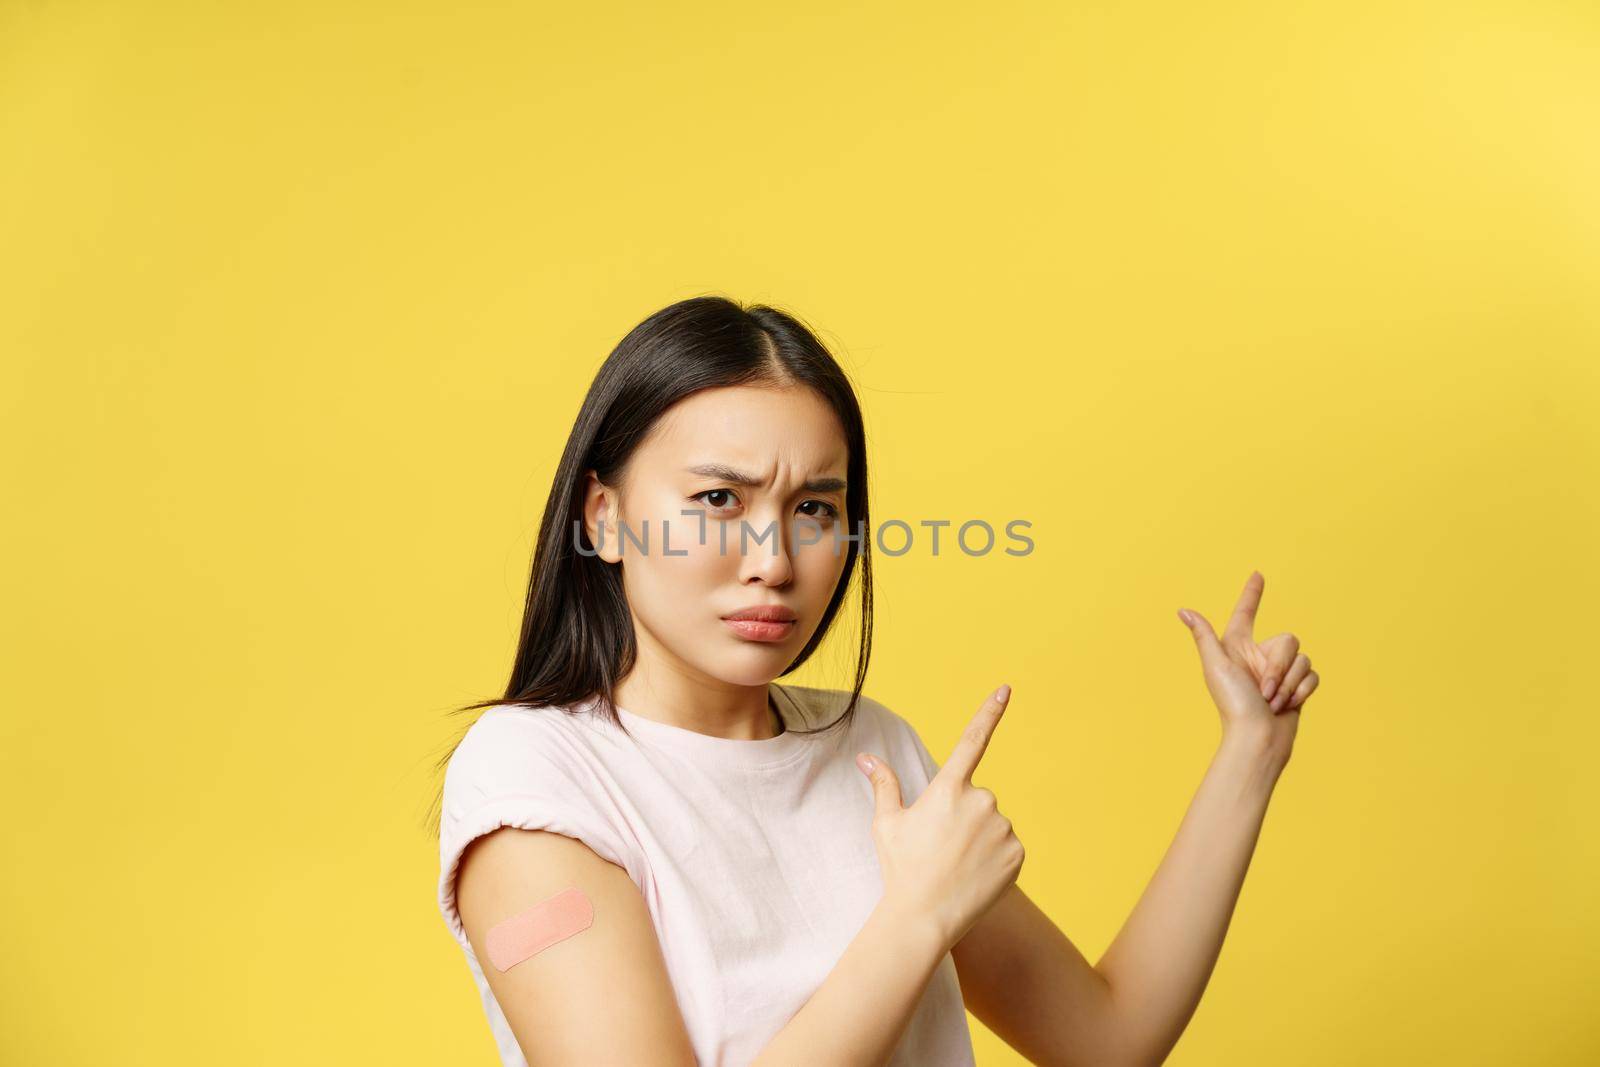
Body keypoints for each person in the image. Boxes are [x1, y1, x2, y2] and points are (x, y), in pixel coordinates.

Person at [429, 295, 1321, 1066]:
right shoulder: (532, 779)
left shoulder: (873, 751)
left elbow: (1108, 1038)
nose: (773, 560)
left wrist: (1252, 750)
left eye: (814, 507)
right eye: (717, 501)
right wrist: (916, 918)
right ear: (607, 518)